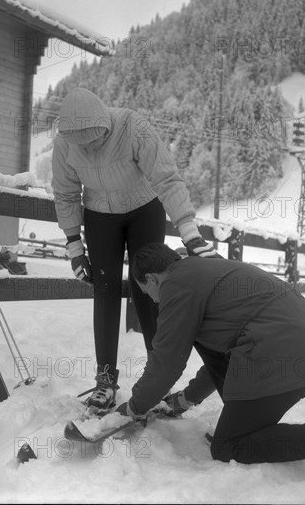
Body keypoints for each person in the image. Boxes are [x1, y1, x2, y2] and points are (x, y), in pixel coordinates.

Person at [116, 242, 305, 483]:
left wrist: (133, 408)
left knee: (228, 445)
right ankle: (254, 427)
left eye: (146, 291)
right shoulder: (203, 271)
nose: (153, 300)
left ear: (151, 279)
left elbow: (166, 361)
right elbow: (220, 358)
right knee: (238, 431)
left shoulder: (177, 283)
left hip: (279, 353)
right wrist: (186, 399)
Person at [51, 87, 219, 412]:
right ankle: (105, 381)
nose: (89, 147)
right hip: (100, 216)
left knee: (148, 291)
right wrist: (74, 244)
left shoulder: (132, 127)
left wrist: (189, 232)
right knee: (105, 290)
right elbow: (66, 194)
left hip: (144, 208)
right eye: (81, 142)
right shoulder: (64, 145)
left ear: (105, 125)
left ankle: (156, 376)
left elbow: (167, 179)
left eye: (95, 139)